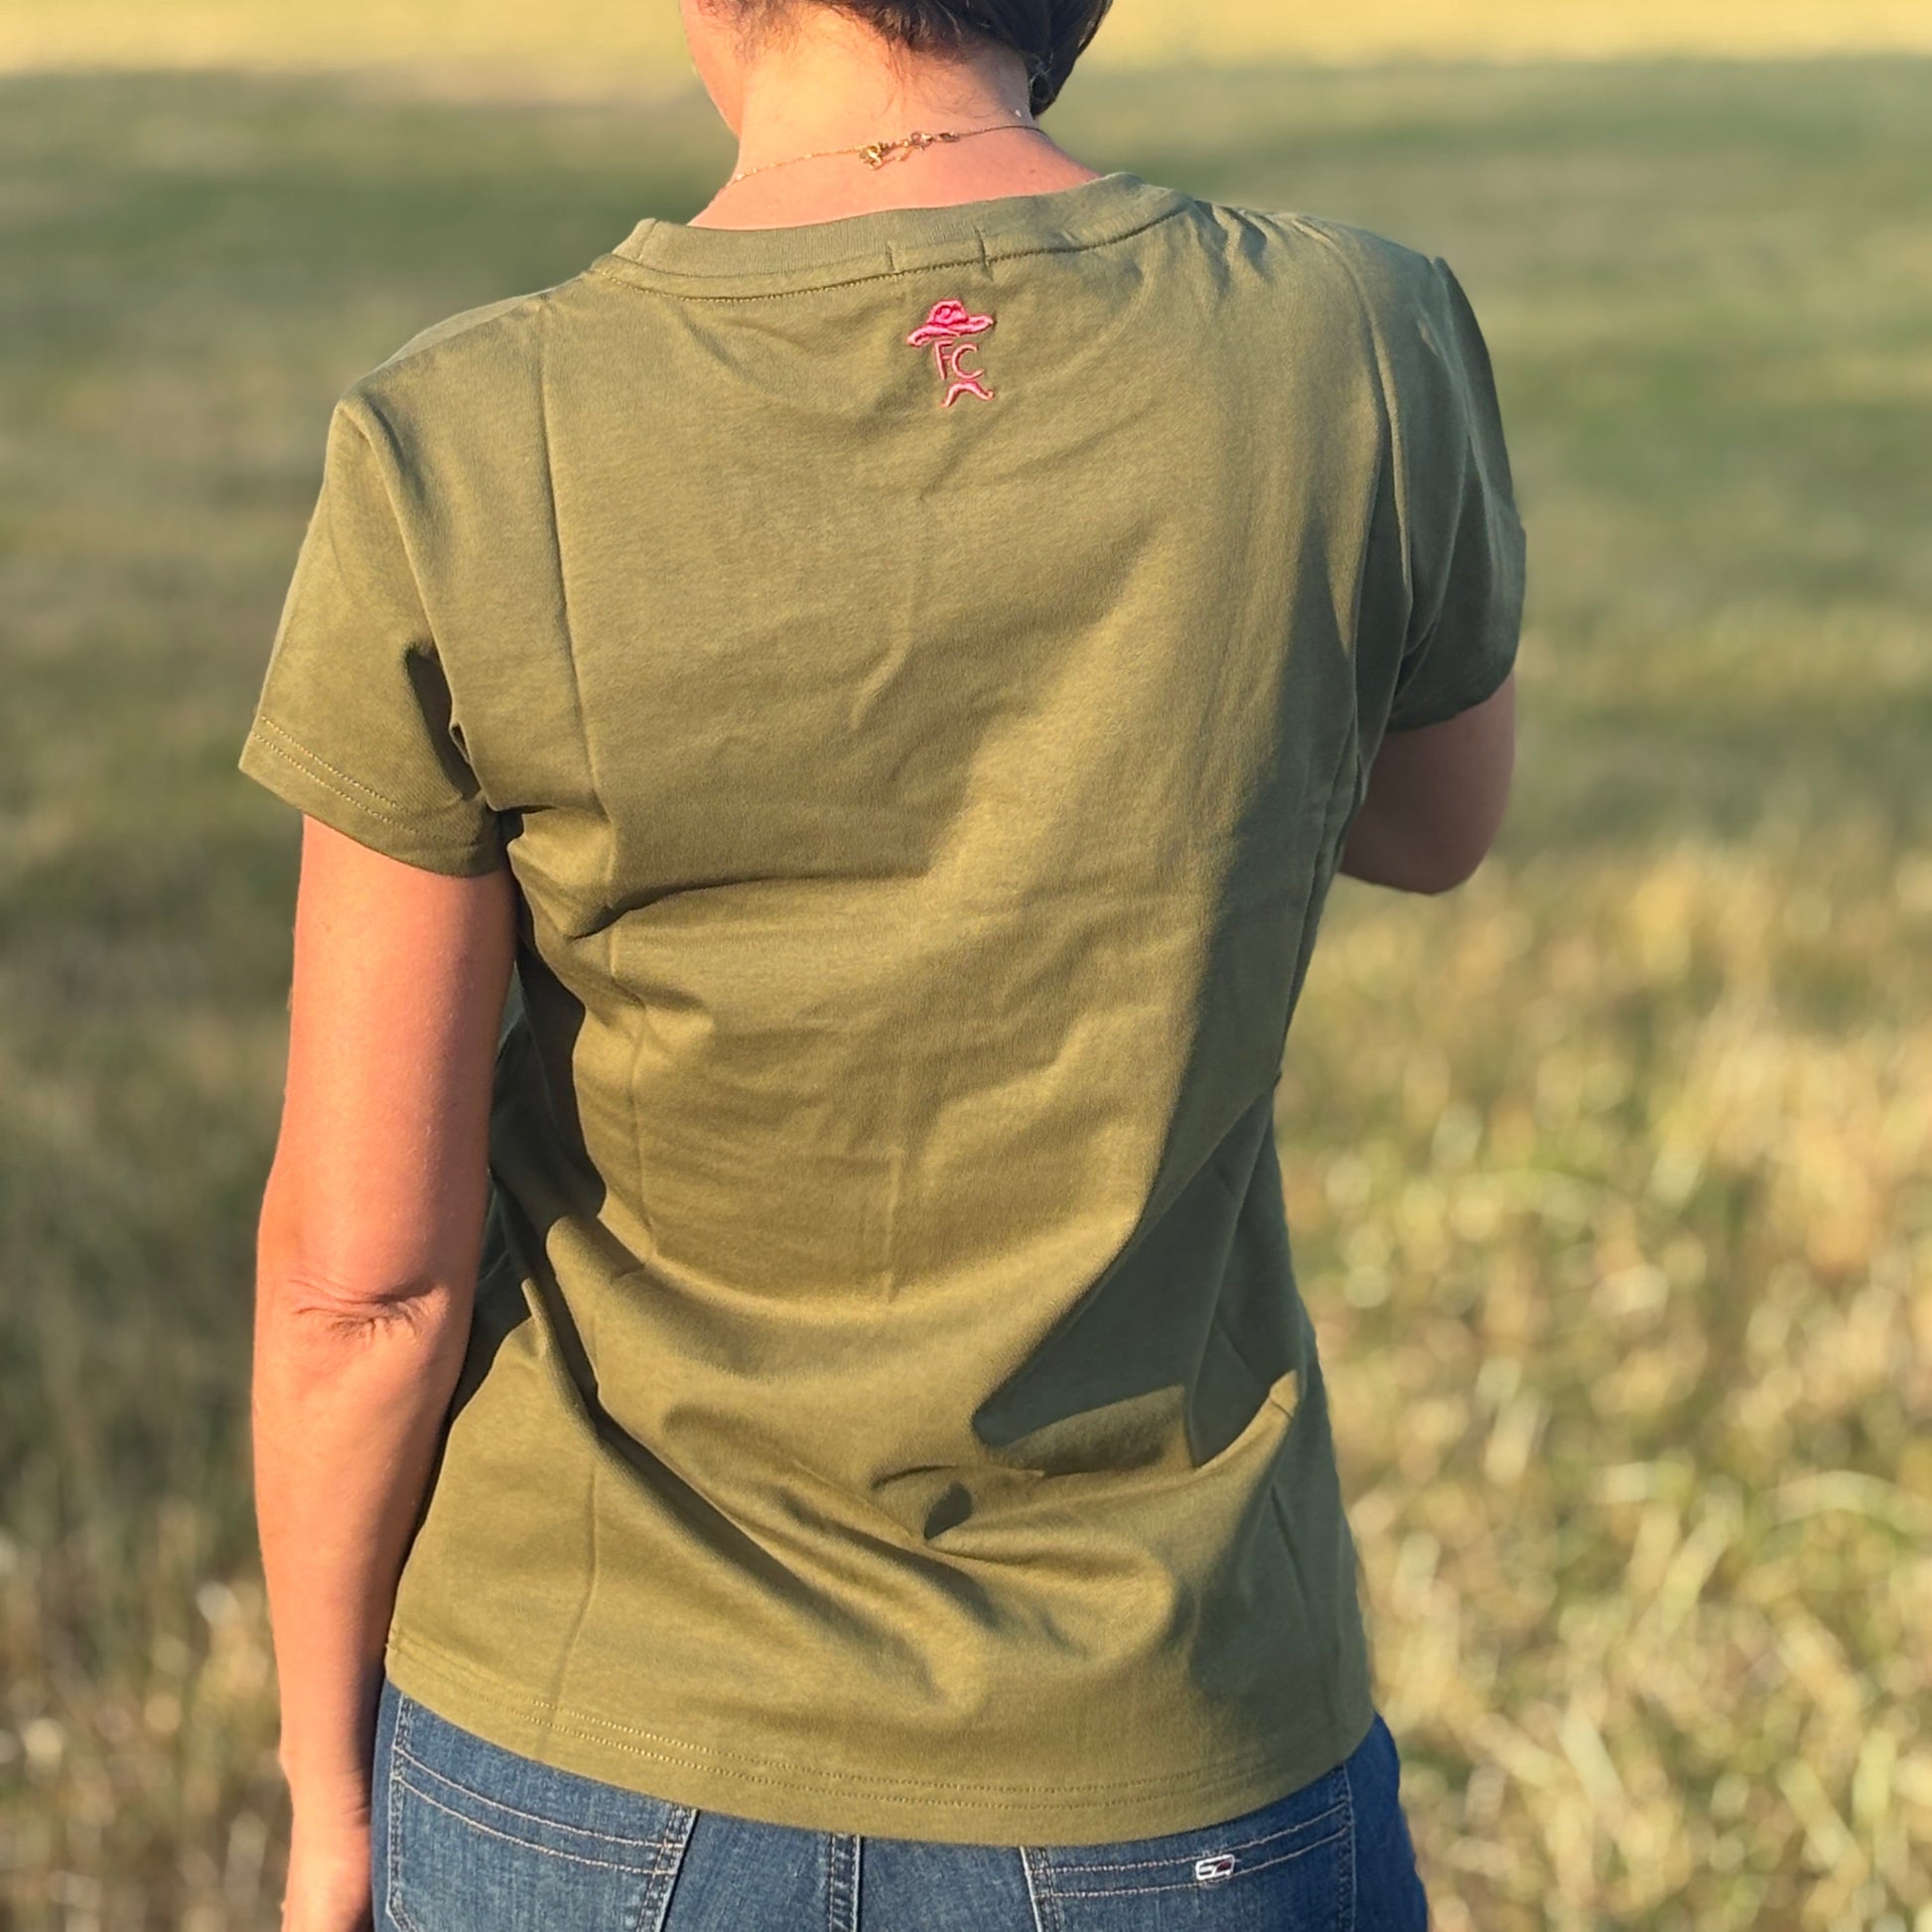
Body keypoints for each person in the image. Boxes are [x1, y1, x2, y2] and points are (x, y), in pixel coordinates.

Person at [238, 0, 1525, 1924]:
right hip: (1174, 1754)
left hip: (585, 1756)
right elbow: (1433, 824)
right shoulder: (1353, 344)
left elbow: (365, 1291)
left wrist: (324, 1784)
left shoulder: (458, 448)